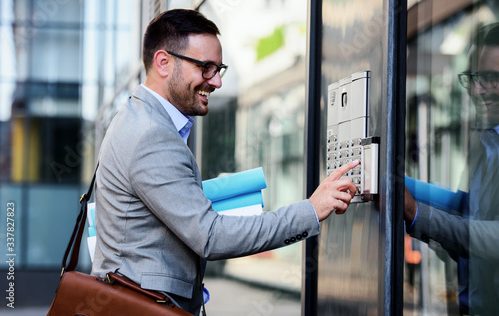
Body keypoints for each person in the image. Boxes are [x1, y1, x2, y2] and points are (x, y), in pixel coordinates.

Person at [91, 9, 359, 315]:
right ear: (163, 63)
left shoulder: (139, 118)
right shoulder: (151, 134)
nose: (216, 81)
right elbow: (211, 237)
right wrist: (311, 209)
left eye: (219, 69)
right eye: (205, 68)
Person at [404, 23, 499, 315]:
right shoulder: (484, 141)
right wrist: (399, 185)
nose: (476, 89)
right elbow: (466, 207)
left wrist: (416, 213)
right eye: (471, 78)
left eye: (488, 78)